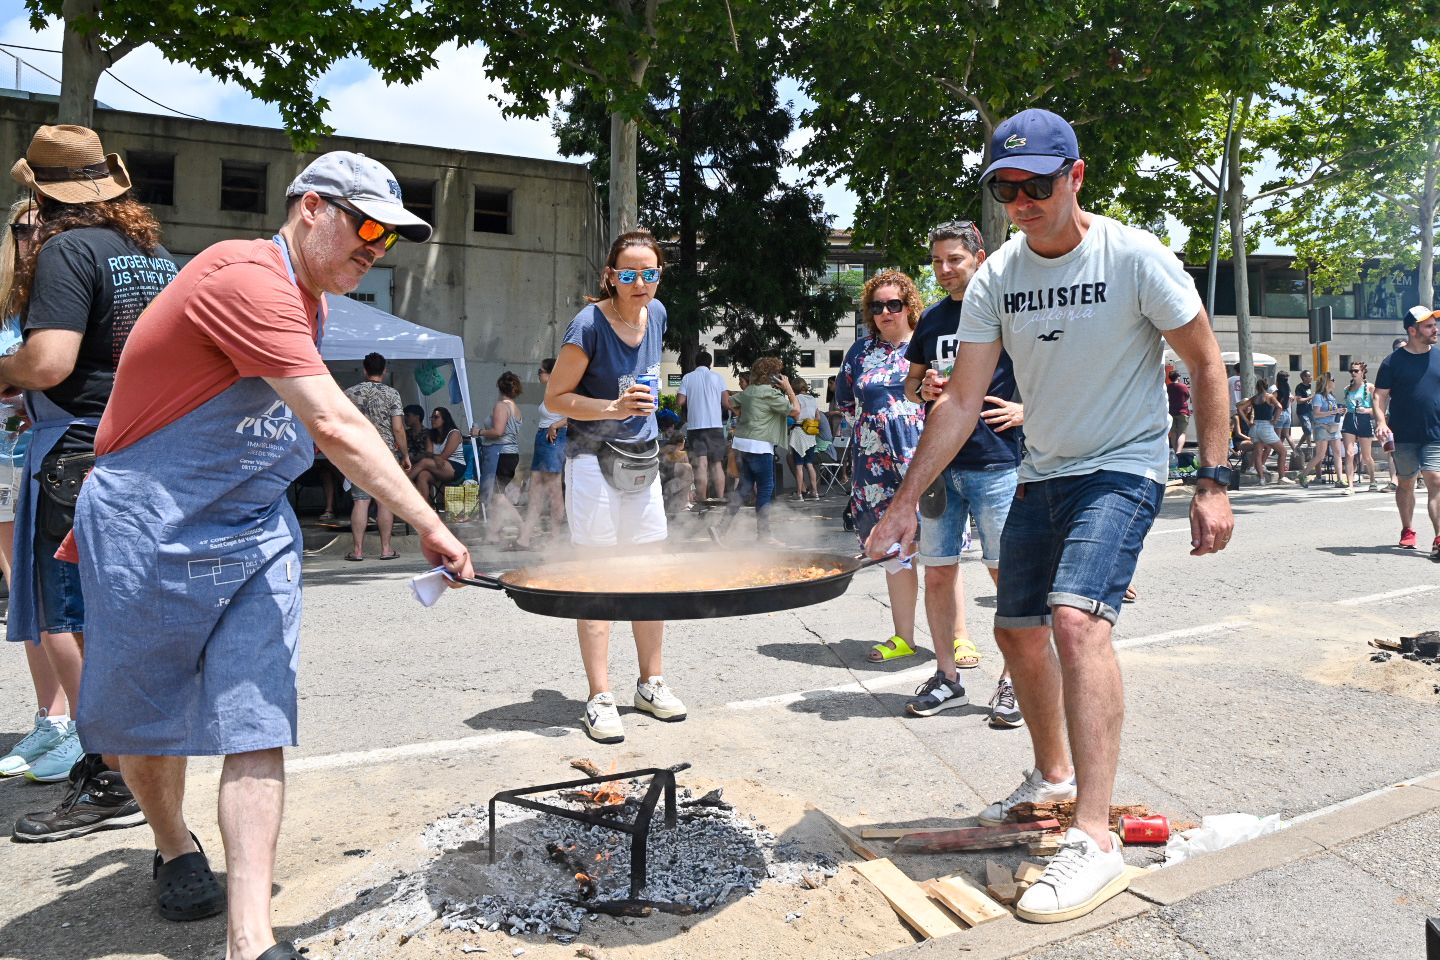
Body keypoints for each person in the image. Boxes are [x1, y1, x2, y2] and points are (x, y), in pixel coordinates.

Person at [58, 151, 472, 958]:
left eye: (391, 236)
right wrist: (429, 520)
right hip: (151, 522)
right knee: (147, 723)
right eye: (368, 226)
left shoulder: (312, 302)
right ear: (312, 207)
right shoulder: (243, 278)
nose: (378, 246)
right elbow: (335, 426)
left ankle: (250, 938)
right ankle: (174, 844)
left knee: (257, 718)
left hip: (252, 529)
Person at [865, 109, 1232, 924]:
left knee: (1075, 623)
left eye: (1037, 184)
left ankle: (1094, 838)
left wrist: (1212, 479)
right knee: (1016, 631)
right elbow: (961, 400)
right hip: (1042, 469)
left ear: (1077, 176)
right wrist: (901, 505)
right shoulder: (996, 276)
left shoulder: (1135, 255)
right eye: (1007, 188)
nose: (1023, 201)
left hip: (1125, 465)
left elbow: (1205, 363)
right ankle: (1054, 779)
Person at [1, 125, 179, 835]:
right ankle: (134, 769)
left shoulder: (68, 250)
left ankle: (112, 776)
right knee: (123, 622)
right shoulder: (153, 254)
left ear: (42, 194)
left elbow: (47, 363)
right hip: (148, 451)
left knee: (68, 622)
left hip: (77, 455)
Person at [545, 229, 682, 745]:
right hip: (591, 459)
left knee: (648, 573)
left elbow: (643, 377)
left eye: (650, 273)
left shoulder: (658, 314)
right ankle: (600, 696)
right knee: (599, 576)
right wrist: (613, 409)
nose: (640, 283)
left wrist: (647, 407)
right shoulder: (588, 325)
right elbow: (557, 398)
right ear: (610, 275)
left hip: (642, 458)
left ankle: (650, 683)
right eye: (629, 274)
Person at [903, 220, 1026, 726]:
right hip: (940, 467)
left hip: (996, 462)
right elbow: (911, 386)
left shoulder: (1008, 309)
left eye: (954, 259)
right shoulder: (931, 319)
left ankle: (1015, 680)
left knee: (1008, 577)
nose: (944, 269)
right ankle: (948, 677)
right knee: (938, 572)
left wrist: (1028, 411)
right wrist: (925, 391)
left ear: (979, 256)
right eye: (936, 261)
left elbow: (1052, 370)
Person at [0, 197, 72, 780]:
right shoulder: (9, 302)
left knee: (57, 596)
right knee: (23, 595)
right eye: (23, 228)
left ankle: (76, 722)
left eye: (44, 225)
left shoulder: (64, 289)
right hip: (6, 460)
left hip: (51, 457)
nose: (34, 237)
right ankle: (52, 716)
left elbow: (52, 369)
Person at [836, 270, 926, 663]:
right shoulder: (858, 352)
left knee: (939, 549)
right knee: (892, 550)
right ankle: (903, 636)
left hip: (923, 457)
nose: (886, 312)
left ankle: (958, 637)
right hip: (873, 464)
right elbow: (845, 402)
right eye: (877, 306)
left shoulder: (928, 344)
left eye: (894, 304)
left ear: (909, 306)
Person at [1374, 305, 1440, 557]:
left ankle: (1439, 538)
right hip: (1403, 434)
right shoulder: (1392, 362)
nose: (1435, 329)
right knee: (1406, 483)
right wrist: (1381, 422)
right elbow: (1379, 397)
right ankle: (1408, 529)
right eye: (1429, 326)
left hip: (1435, 432)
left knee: (1435, 480)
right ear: (1413, 331)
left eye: (1434, 324)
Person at [721, 356, 799, 542]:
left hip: (743, 444)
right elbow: (795, 411)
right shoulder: (769, 394)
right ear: (773, 376)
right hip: (760, 446)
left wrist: (743, 415)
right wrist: (788, 388)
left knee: (744, 489)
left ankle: (720, 528)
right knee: (765, 489)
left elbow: (729, 401)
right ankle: (764, 535)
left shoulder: (749, 391)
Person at [341, 352, 409, 561]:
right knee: (384, 502)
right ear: (384, 371)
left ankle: (358, 551)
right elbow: (398, 428)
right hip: (385, 454)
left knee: (361, 501)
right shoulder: (392, 394)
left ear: (364, 370)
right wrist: (405, 454)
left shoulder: (350, 393)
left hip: (360, 452)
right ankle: (386, 549)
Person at [514, 358, 567, 550]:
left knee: (554, 490)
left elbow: (576, 414)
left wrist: (556, 425)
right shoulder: (550, 391)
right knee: (535, 489)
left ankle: (554, 538)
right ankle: (525, 538)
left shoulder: (563, 390)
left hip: (554, 438)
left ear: (552, 373)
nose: (539, 374)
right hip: (543, 437)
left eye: (541, 371)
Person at [474, 371, 524, 541]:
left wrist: (478, 432)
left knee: (497, 495)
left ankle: (523, 527)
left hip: (501, 453)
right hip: (510, 453)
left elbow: (498, 431)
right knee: (497, 495)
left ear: (499, 386)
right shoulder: (515, 407)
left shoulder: (501, 406)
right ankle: (493, 534)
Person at [677, 350, 728, 508]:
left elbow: (680, 401)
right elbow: (726, 402)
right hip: (715, 426)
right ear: (710, 363)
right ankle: (720, 498)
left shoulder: (688, 377)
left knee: (701, 464)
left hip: (695, 426)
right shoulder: (718, 377)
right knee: (717, 464)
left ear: (695, 363)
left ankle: (702, 499)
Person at [410, 406, 465, 506]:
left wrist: (434, 457)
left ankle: (405, 481)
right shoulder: (430, 435)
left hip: (455, 467)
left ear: (444, 419)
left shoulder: (454, 433)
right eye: (432, 418)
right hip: (437, 466)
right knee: (423, 475)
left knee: (424, 462)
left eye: (436, 417)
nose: (432, 420)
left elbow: (444, 456)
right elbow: (428, 453)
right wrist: (435, 457)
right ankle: (424, 510)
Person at [1299, 372, 1344, 488]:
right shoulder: (1318, 396)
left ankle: (1339, 479)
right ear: (1327, 382)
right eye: (1332, 379)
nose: (1334, 382)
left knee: (1337, 453)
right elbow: (1316, 414)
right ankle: (1303, 475)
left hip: (1333, 427)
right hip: (1322, 427)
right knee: (1320, 455)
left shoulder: (1331, 396)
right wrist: (1334, 412)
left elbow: (1332, 411)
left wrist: (1340, 411)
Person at [1341, 360, 1377, 493]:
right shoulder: (1347, 389)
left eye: (1356, 371)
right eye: (1351, 371)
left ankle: (1372, 480)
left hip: (1364, 419)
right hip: (1350, 419)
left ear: (1363, 372)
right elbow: (1348, 406)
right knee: (1349, 453)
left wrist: (1367, 411)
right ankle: (1350, 485)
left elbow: (1378, 409)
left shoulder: (1370, 387)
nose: (1353, 373)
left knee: (1367, 456)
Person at [787, 377, 823, 501]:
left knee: (798, 464)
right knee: (809, 463)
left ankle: (799, 494)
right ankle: (815, 492)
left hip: (799, 432)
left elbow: (794, 415)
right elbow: (818, 417)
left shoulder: (795, 399)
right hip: (811, 433)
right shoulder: (813, 399)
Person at [1246, 378, 1287, 484]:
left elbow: (1239, 408)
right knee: (1283, 451)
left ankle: (1261, 479)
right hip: (1266, 426)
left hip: (1255, 427)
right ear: (1267, 386)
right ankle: (1282, 477)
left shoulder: (1254, 398)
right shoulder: (1269, 396)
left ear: (1256, 387)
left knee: (1258, 453)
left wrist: (1247, 421)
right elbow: (1279, 407)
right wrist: (1275, 420)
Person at [1166, 369, 1191, 477]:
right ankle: (1178, 452)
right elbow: (1187, 396)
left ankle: (1174, 449)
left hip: (1171, 411)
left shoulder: (1167, 387)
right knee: (1182, 432)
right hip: (1182, 411)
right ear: (1178, 377)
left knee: (1173, 432)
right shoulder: (1182, 386)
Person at [1273, 371, 1297, 464]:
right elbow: (1292, 399)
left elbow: (1277, 404)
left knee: (1277, 437)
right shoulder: (1287, 389)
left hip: (1280, 414)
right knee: (1287, 435)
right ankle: (1296, 451)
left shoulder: (1277, 390)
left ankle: (1281, 454)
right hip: (1287, 414)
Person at [1294, 369, 1314, 461]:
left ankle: (1298, 446)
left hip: (1310, 410)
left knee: (1307, 430)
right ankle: (1310, 449)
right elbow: (1298, 400)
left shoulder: (1310, 386)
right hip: (1302, 411)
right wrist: (1310, 397)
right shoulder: (1299, 387)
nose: (1311, 377)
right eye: (1309, 376)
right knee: (1308, 429)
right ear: (1304, 377)